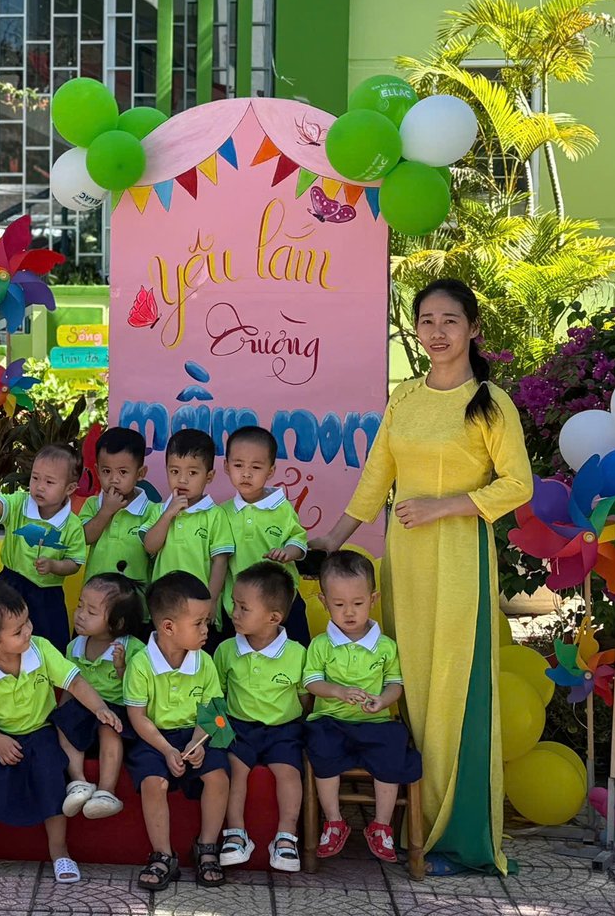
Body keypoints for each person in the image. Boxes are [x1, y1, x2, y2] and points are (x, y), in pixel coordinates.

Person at [309, 278, 530, 875]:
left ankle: (459, 835)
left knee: (453, 689)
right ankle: (405, 825)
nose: (437, 332)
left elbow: (517, 485)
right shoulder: (405, 396)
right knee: (407, 679)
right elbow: (376, 476)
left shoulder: (490, 402)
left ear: (473, 329)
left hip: (459, 559)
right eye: (426, 320)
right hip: (404, 562)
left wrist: (443, 506)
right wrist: (334, 538)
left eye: (450, 320)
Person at [0, 580, 122, 885]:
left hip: (41, 731)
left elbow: (74, 681)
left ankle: (60, 851)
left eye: (27, 621)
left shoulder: (40, 649)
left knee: (52, 774)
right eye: (18, 631)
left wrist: (100, 708)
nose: (28, 631)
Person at [303, 551, 421, 865]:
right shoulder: (321, 645)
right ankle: (334, 821)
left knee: (393, 744)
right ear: (324, 603)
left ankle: (380, 826)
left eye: (357, 603)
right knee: (320, 743)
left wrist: (383, 700)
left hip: (374, 722)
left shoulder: (386, 647)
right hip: (331, 719)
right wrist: (338, 692)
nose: (349, 612)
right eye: (339, 604)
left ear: (373, 599)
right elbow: (312, 682)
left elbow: (395, 684)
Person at [125, 570, 231, 891]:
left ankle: (207, 847)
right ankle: (163, 855)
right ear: (168, 627)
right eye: (198, 623)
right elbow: (138, 717)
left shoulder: (205, 661)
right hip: (155, 737)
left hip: (198, 732)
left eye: (206, 621)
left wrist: (198, 742)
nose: (206, 629)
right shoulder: (140, 664)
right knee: (153, 782)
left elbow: (214, 712)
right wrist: (167, 749)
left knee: (219, 775)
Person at [211, 562, 308, 873]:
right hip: (238, 728)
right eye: (234, 604)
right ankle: (236, 834)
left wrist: (297, 725)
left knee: (289, 773)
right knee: (234, 770)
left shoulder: (297, 654)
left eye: (244, 608)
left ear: (274, 618)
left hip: (283, 730)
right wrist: (218, 737)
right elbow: (216, 697)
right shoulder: (225, 650)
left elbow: (305, 698)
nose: (234, 613)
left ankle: (286, 837)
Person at [0, 444, 86, 646]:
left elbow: (75, 562)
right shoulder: (20, 503)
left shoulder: (73, 525)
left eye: (49, 481)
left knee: (46, 643)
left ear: (70, 488)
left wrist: (54, 566)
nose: (40, 486)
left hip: (47, 595)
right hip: (10, 585)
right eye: (35, 478)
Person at [51, 572, 147, 821]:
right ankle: (78, 782)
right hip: (83, 709)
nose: (80, 614)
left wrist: (121, 667)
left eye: (91, 612)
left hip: (116, 711)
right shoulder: (74, 646)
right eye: (80, 605)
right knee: (64, 722)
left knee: (109, 727)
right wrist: (61, 713)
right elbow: (70, 685)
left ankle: (106, 791)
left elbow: (140, 690)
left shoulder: (133, 648)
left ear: (117, 622)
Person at [220, 427, 310, 646]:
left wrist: (288, 552)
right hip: (238, 605)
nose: (246, 473)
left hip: (282, 601)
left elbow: (298, 540)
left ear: (270, 471)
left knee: (296, 651)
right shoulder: (221, 513)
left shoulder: (282, 508)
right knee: (235, 655)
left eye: (256, 467)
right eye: (238, 465)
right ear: (226, 466)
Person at [139, 429, 233, 605]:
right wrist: (168, 514)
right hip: (163, 603)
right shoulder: (159, 510)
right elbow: (150, 547)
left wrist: (211, 601)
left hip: (199, 605)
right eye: (174, 471)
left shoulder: (215, 515)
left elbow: (220, 563)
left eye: (192, 473)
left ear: (209, 476)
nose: (182, 480)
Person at [79, 428, 159, 586]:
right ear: (97, 471)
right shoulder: (92, 504)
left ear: (140, 473)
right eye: (106, 471)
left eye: (123, 472)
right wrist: (105, 511)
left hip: (135, 597)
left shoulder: (152, 511)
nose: (114, 479)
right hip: (95, 594)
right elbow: (84, 538)